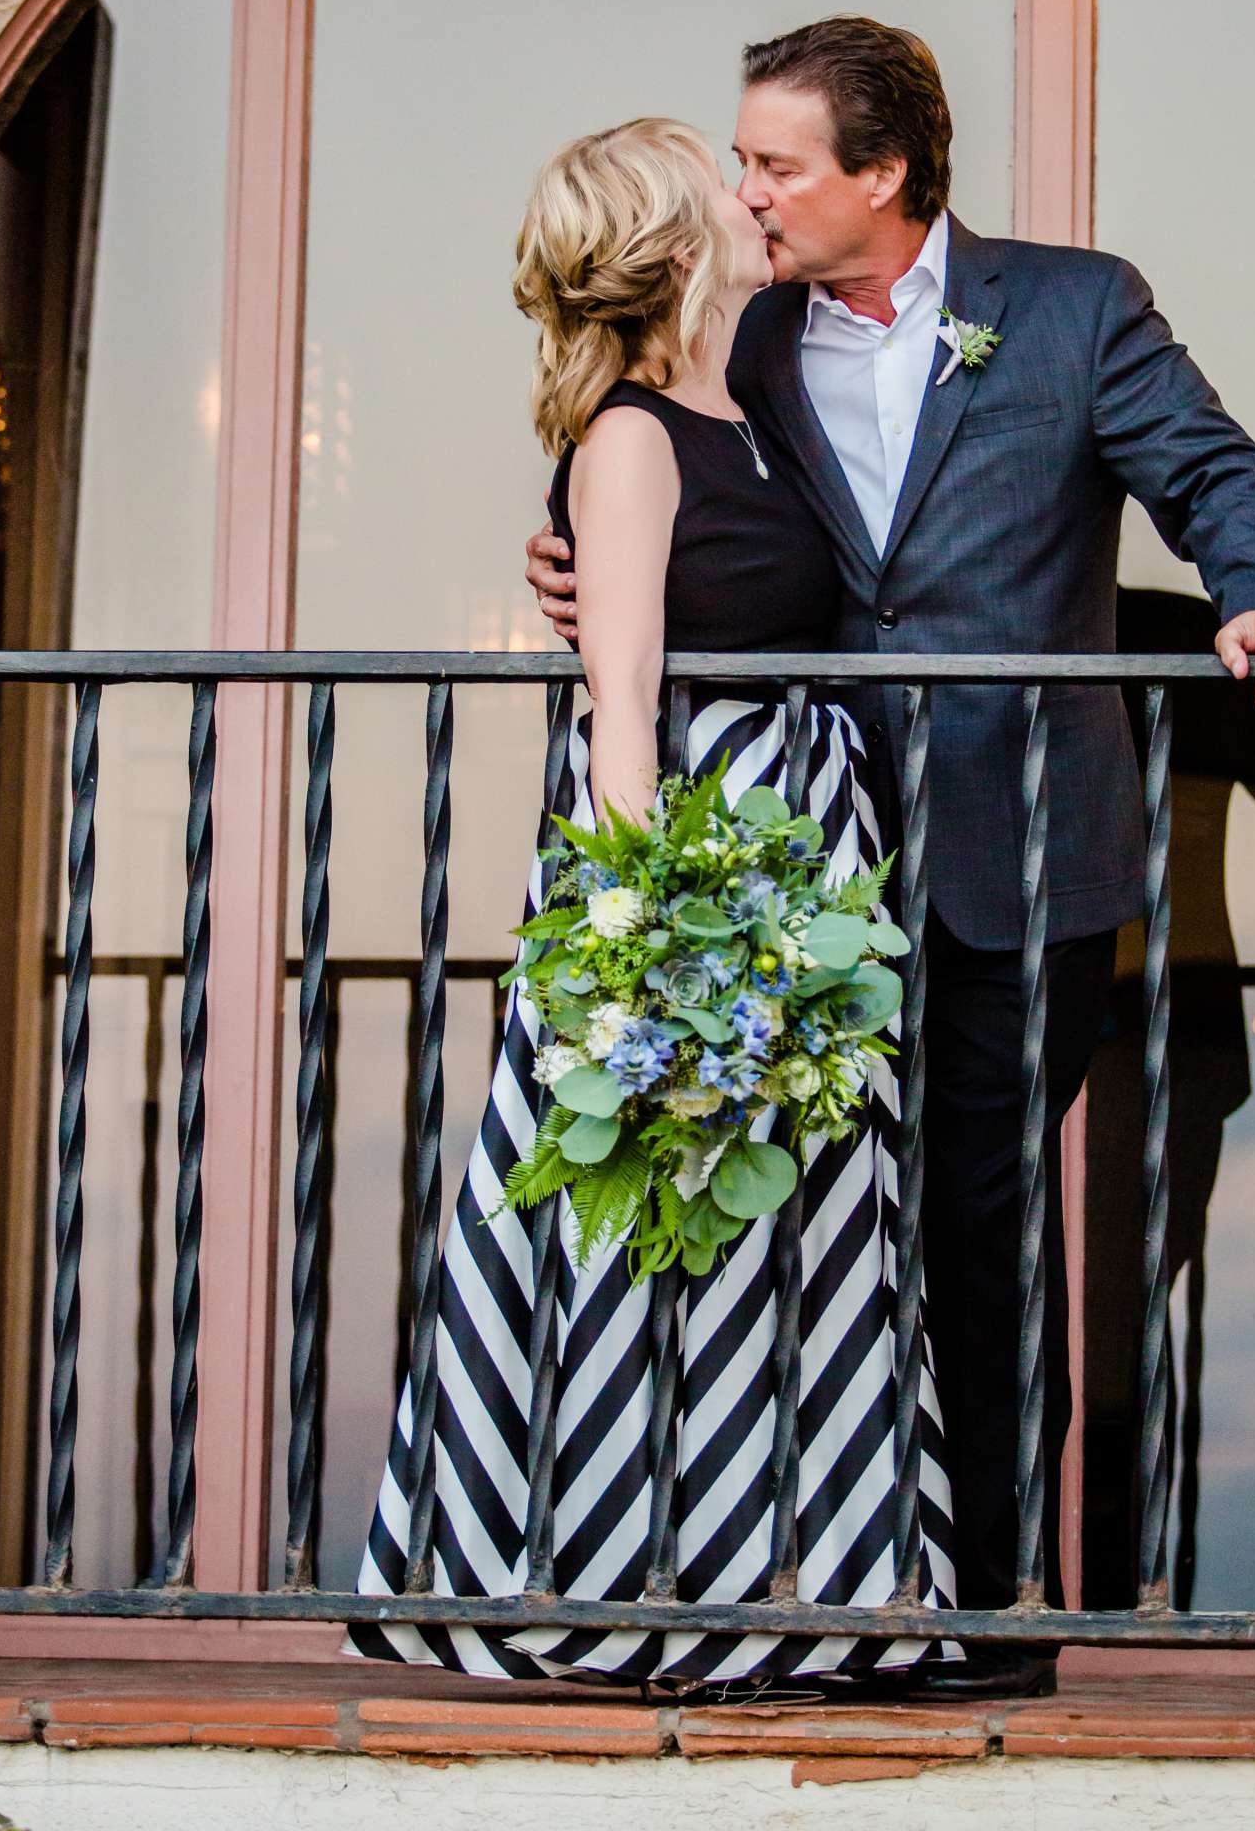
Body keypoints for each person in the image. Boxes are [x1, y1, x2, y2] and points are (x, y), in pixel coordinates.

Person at [527, 18, 1255, 1682]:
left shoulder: (1069, 308)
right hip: (801, 863)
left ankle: (987, 1616)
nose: (746, 194)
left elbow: (1211, 470)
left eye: (776, 165)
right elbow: (666, 491)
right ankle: (795, 1589)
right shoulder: (744, 338)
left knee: (977, 1222)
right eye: (742, 163)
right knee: (807, 1222)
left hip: (1019, 859)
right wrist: (570, 572)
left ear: (883, 174)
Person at [350, 117, 958, 1689]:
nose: (752, 197)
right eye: (724, 178)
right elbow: (622, 705)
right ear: (681, 243)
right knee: (649, 1229)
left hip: (805, 862)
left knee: (804, 1238)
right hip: (697, 879)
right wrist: (643, 948)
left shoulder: (747, 406)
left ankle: (814, 1597)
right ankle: (602, 1583)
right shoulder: (629, 440)